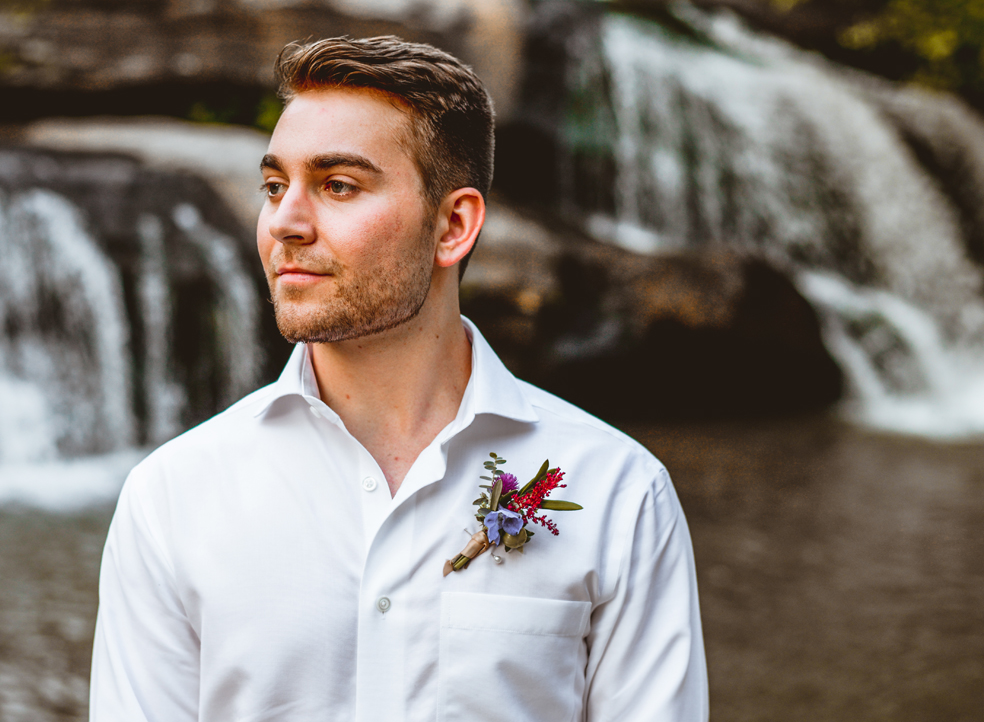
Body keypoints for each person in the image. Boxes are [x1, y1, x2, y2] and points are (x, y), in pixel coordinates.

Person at [90, 36, 708, 721]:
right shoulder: (172, 498)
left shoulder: (618, 492)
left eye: (338, 186)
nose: (284, 223)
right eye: (274, 186)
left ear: (453, 224)